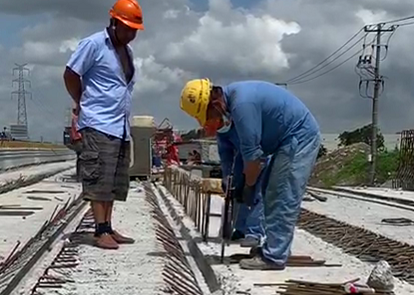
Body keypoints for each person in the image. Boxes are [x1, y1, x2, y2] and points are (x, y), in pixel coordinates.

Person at [179, 79, 321, 270]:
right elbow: (231, 158)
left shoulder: (243, 105)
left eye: (207, 116)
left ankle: (274, 256)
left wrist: (247, 188)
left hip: (298, 136)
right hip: (283, 141)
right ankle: (273, 248)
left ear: (215, 103)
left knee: (280, 193)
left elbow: (252, 160)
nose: (207, 122)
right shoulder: (231, 108)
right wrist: (234, 184)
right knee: (270, 190)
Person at [63, 0, 144, 250]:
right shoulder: (94, 44)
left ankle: (108, 226)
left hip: (119, 126)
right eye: (128, 28)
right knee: (98, 178)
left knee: (114, 181)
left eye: (134, 30)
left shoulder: (126, 53)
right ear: (115, 22)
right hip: (98, 122)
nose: (131, 34)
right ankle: (99, 231)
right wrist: (81, 101)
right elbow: (70, 74)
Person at [217, 126, 265, 248]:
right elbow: (225, 154)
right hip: (241, 155)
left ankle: (254, 233)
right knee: (238, 191)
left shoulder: (244, 120)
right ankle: (240, 229)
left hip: (261, 152)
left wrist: (251, 179)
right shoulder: (221, 131)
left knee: (258, 194)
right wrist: (227, 175)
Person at [69, 107, 82, 181]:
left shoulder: (74, 119)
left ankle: (79, 176)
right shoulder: (77, 118)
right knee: (83, 158)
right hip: (79, 140)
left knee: (80, 158)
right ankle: (80, 176)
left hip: (76, 140)